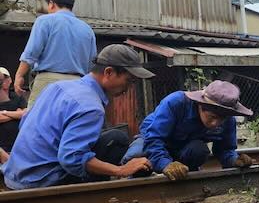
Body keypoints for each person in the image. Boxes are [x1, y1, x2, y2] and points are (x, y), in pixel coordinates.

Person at [1, 45, 154, 189]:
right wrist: (120, 170)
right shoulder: (90, 106)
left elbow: (25, 123)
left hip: (14, 176)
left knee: (111, 137)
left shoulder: (57, 87)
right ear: (109, 72)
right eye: (129, 81)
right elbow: (71, 158)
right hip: (40, 182)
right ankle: (94, 195)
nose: (129, 88)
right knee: (117, 140)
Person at [121, 80, 256, 181]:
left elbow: (225, 150)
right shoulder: (175, 102)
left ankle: (185, 176)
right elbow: (154, 138)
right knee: (137, 157)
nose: (216, 124)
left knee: (199, 150)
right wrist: (165, 164)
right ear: (200, 106)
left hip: (184, 148)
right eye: (212, 117)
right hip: (153, 141)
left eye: (221, 119)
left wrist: (234, 160)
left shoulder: (228, 120)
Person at [15, 0, 97, 107]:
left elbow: (31, 53)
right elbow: (92, 63)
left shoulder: (45, 21)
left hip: (48, 81)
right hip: (78, 84)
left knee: (39, 122)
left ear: (52, 4)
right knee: (69, 122)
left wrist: (19, 75)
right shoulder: (87, 29)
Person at [0, 67, 28, 152]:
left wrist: (4, 112)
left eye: (6, 77)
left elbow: (26, 114)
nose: (4, 81)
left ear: (10, 80)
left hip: (17, 147)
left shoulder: (17, 97)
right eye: (2, 79)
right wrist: (16, 114)